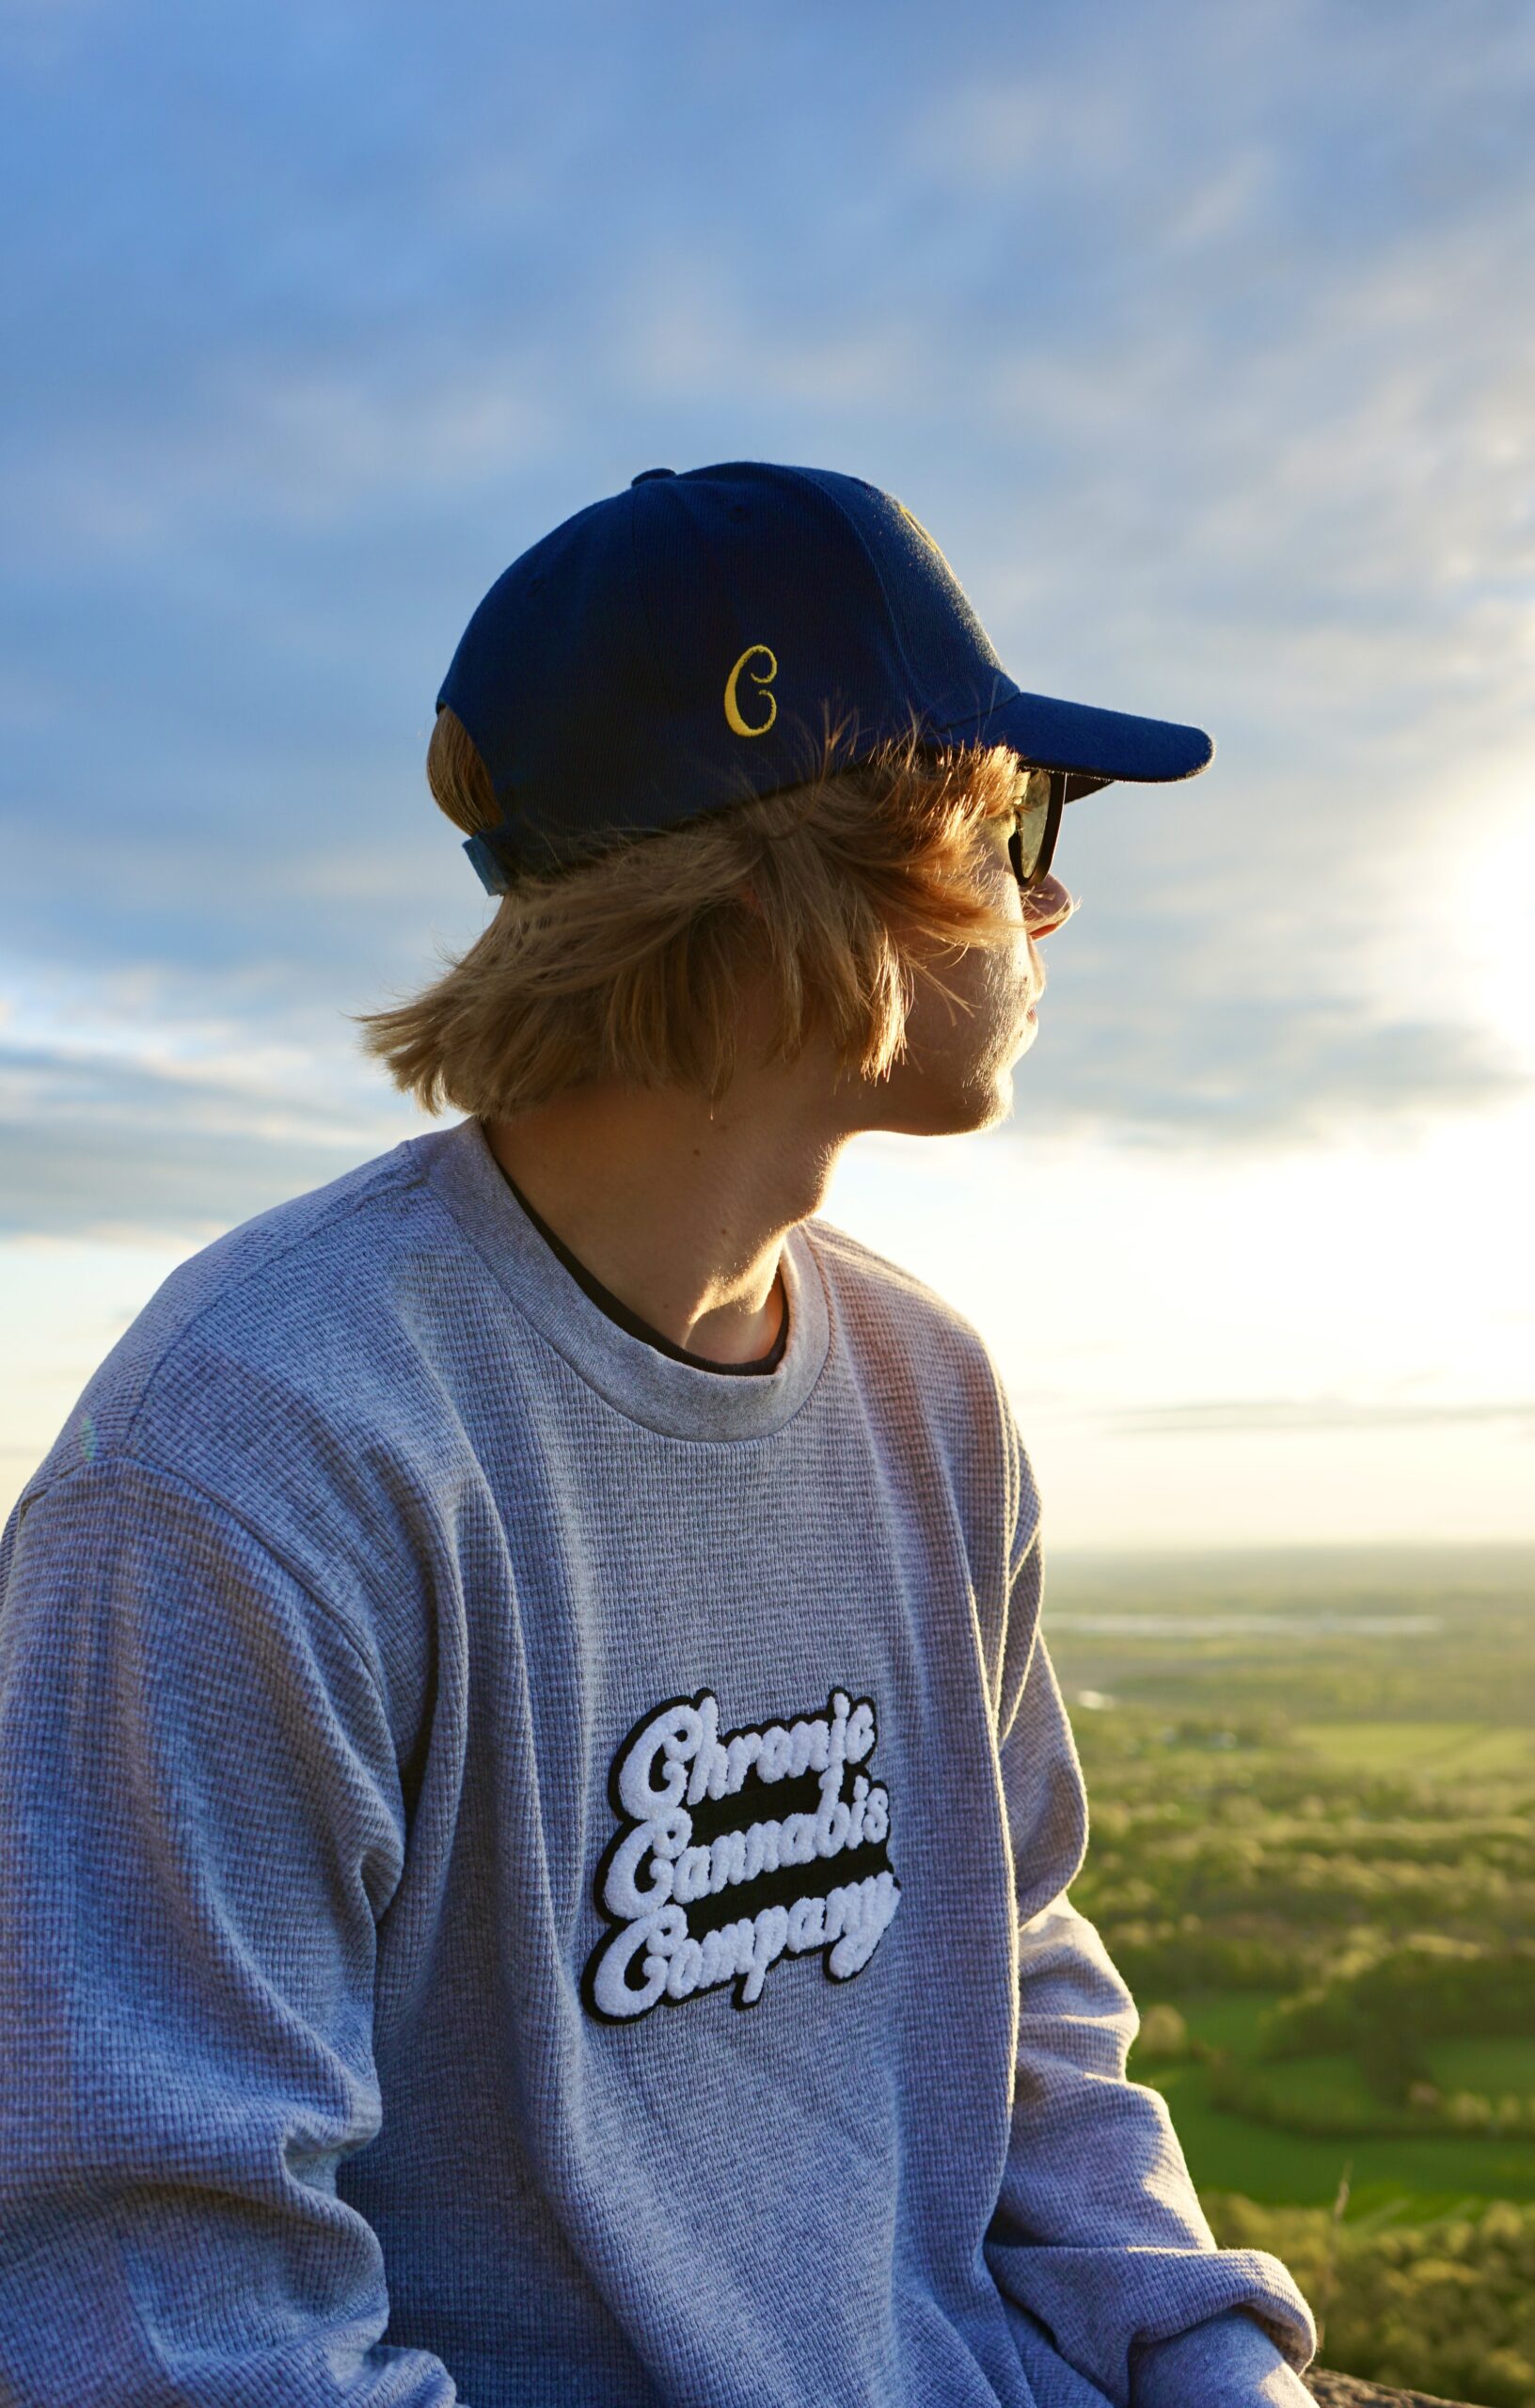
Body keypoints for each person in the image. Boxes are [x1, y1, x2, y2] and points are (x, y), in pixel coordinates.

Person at [0, 462, 1318, 2405]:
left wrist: (1216, 2359)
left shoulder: (930, 1394)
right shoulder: (253, 1464)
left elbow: (1015, 1970)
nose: (1055, 892)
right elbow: (167, 2320)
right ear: (835, 852)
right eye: (1018, 812)